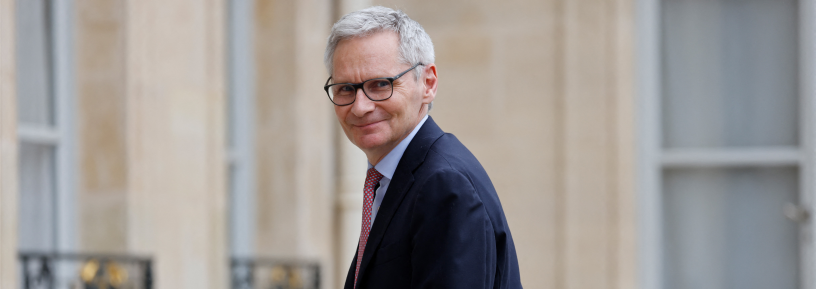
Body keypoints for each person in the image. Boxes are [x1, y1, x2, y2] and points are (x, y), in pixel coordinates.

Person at [324, 6, 522, 289]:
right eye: (345, 88)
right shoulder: (394, 178)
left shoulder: (445, 185)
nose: (360, 107)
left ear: (428, 83)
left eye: (380, 84)